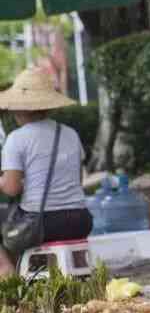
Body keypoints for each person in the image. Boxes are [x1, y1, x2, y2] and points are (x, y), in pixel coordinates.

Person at [0, 69, 93, 276]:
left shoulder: (17, 138)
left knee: (6, 223)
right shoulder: (70, 134)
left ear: (18, 108)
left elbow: (11, 188)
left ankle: (7, 274)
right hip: (80, 220)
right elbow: (76, 181)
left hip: (43, 224)